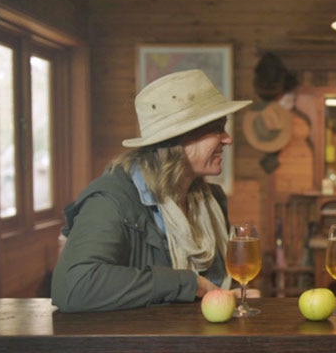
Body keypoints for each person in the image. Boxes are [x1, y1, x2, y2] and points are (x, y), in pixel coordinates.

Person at [51, 69, 251, 312]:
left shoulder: (211, 200)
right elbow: (74, 286)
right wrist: (189, 284)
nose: (227, 139)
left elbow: (213, 289)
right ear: (178, 140)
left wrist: (228, 295)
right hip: (135, 347)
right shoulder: (113, 200)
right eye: (217, 129)